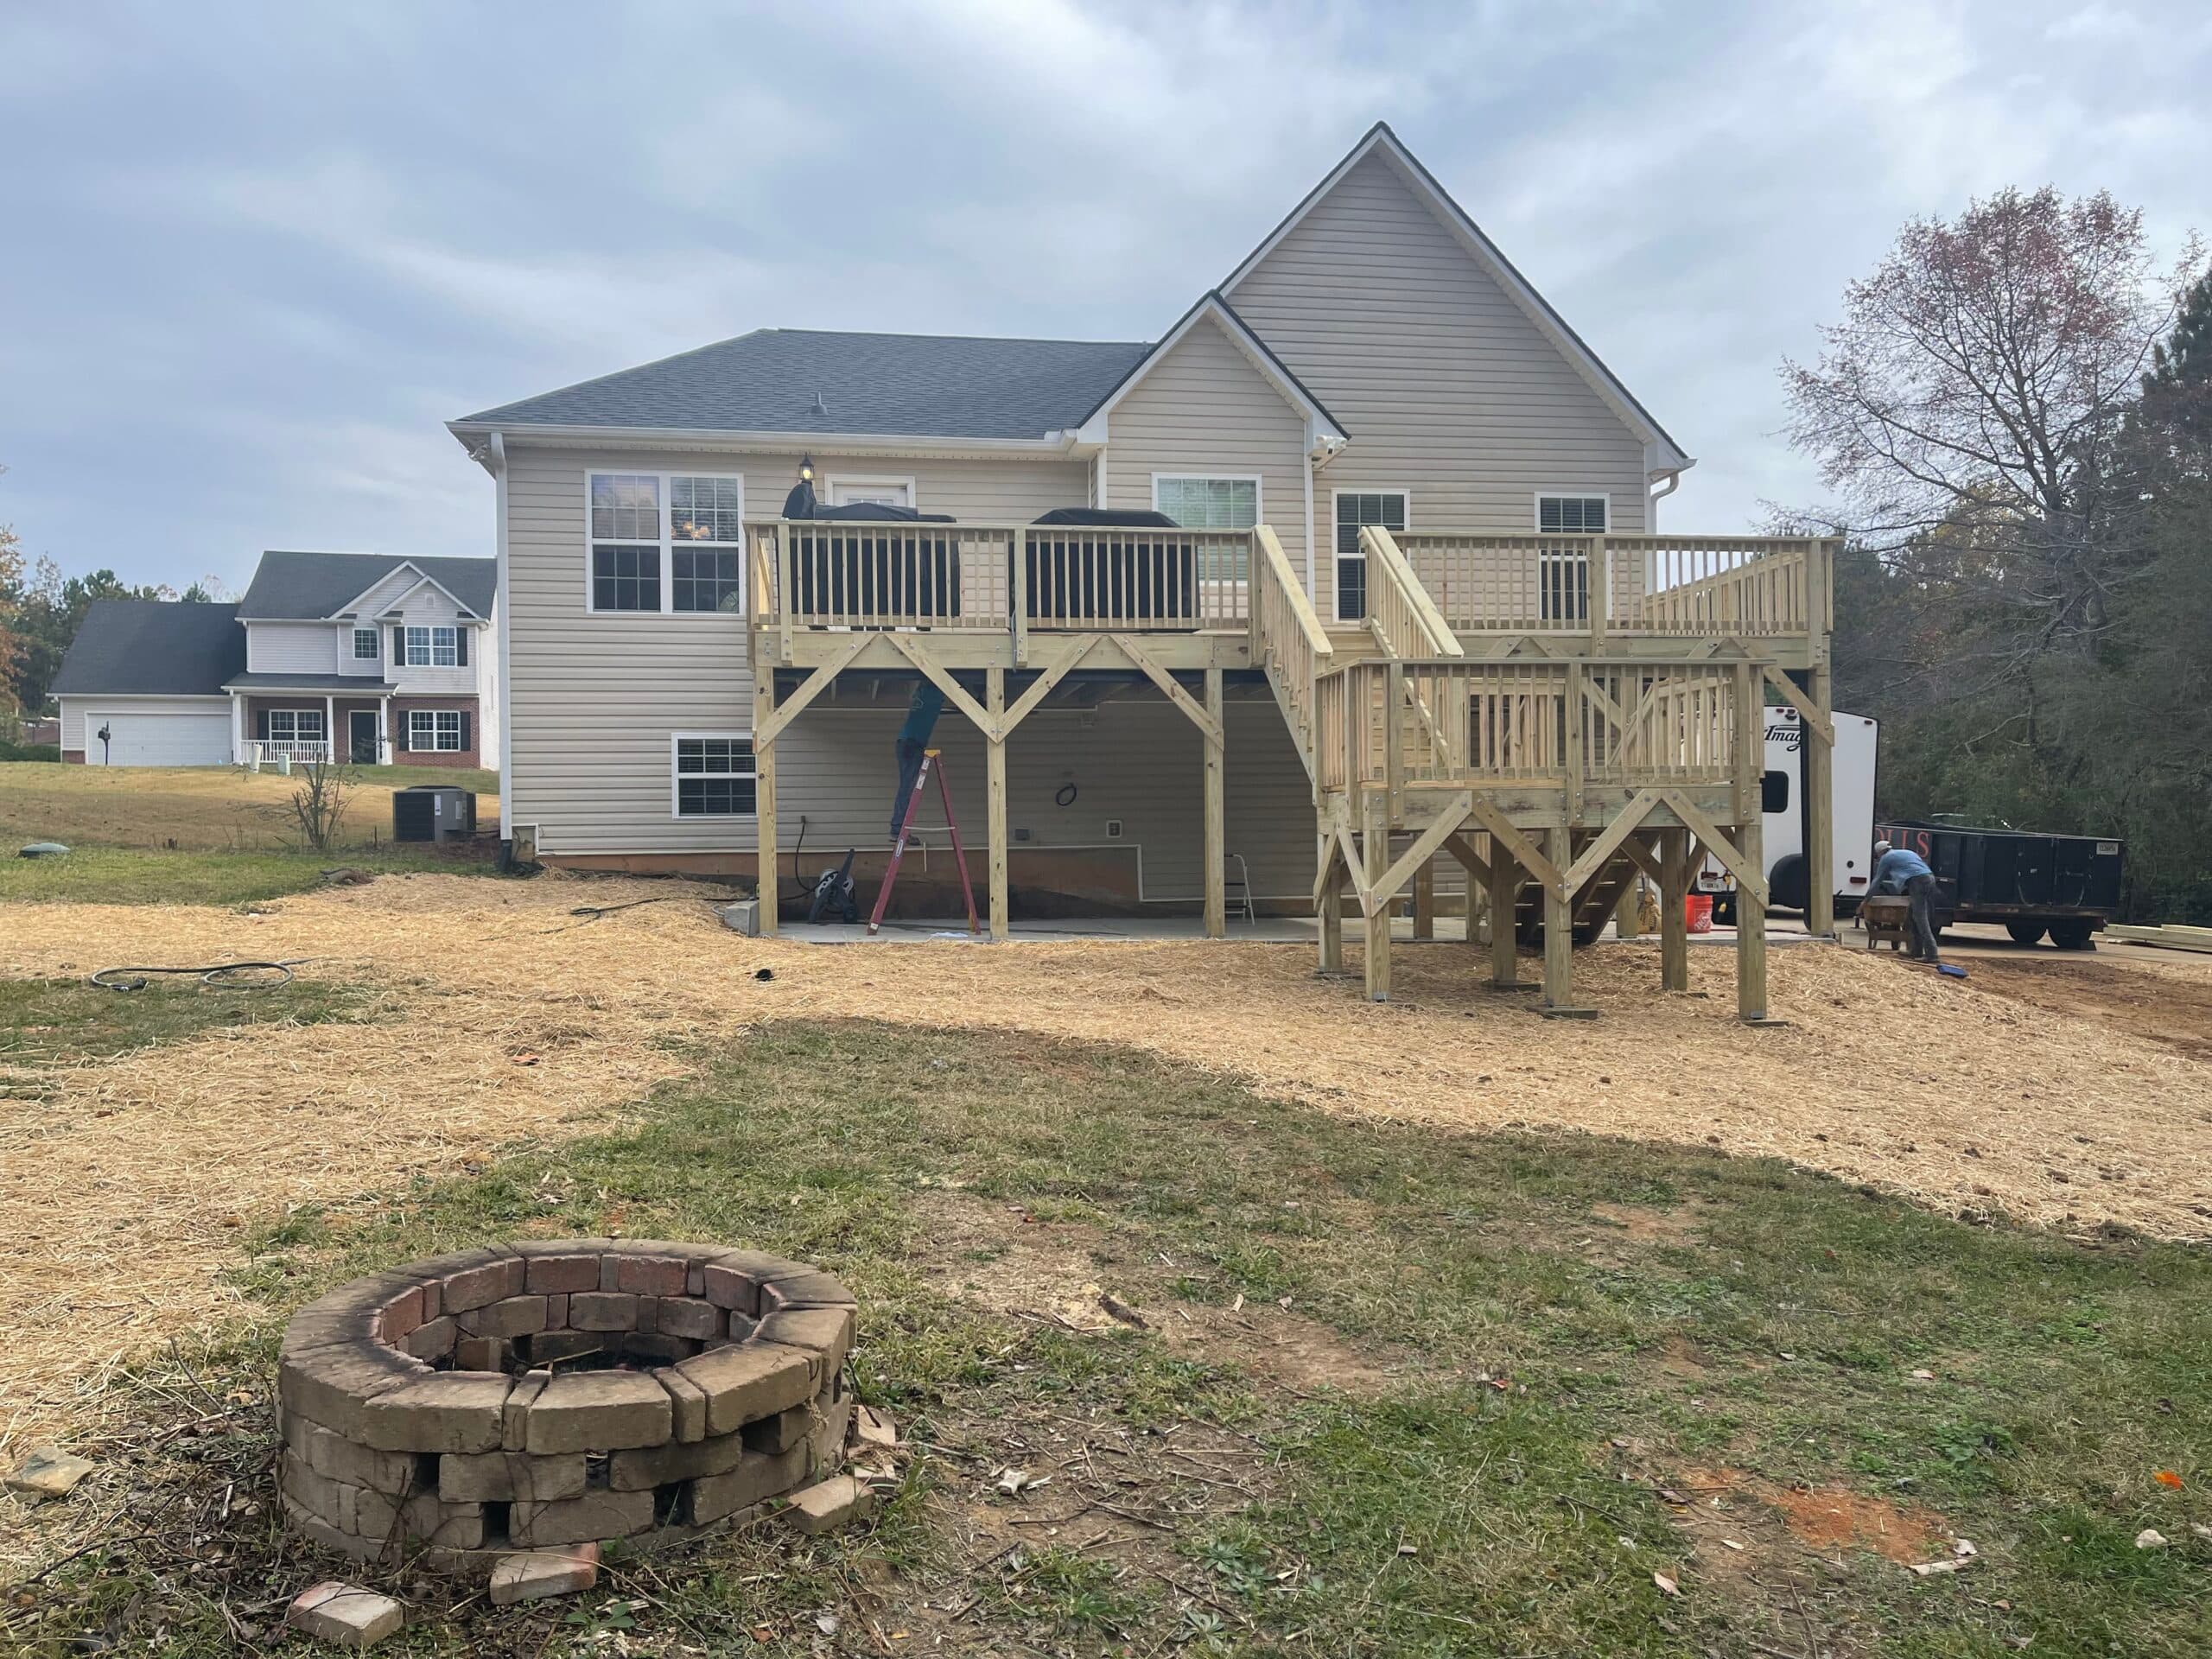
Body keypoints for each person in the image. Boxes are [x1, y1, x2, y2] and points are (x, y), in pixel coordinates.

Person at [1870, 839, 1942, 963]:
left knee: (1920, 918)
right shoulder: (1906, 852)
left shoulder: (1886, 858)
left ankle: (1932, 954)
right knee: (1911, 916)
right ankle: (1916, 950)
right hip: (1929, 878)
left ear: (1880, 852)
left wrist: (1866, 899)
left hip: (1917, 881)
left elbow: (1877, 880)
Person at [889, 680, 946, 840]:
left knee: (907, 786)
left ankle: (899, 828)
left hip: (906, 742)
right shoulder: (934, 693)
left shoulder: (921, 694)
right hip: (912, 744)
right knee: (908, 787)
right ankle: (898, 829)